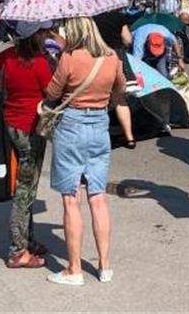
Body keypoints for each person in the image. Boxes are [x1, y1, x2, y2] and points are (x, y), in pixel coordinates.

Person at [45, 16, 135, 286]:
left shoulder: (69, 57)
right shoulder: (112, 57)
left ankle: (74, 269)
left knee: (71, 198)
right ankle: (104, 265)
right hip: (99, 124)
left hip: (72, 124)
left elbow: (52, 93)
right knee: (98, 196)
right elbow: (121, 89)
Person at [0, 20, 55, 269]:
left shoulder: (9, 56)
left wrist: (2, 85)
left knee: (28, 184)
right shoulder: (40, 63)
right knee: (26, 188)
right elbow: (51, 93)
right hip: (30, 127)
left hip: (12, 121)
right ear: (35, 36)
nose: (46, 35)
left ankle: (28, 239)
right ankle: (17, 250)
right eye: (43, 32)